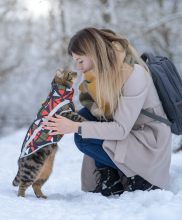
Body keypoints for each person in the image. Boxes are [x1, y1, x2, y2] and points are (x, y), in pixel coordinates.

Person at [42, 27, 172, 197]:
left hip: (146, 139)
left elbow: (120, 129)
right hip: (129, 131)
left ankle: (140, 176)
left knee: (82, 135)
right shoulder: (95, 76)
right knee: (83, 117)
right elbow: (96, 113)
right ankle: (110, 177)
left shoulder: (134, 75)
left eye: (80, 61)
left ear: (94, 54)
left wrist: (74, 127)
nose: (77, 67)